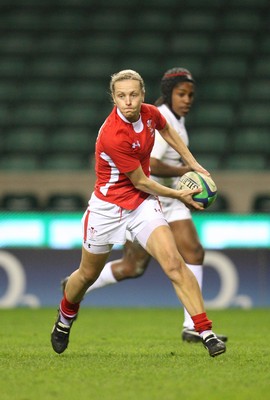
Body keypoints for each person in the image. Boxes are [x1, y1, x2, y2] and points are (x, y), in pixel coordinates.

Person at [51, 69, 226, 358]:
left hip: (142, 205)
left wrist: (193, 163)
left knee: (174, 263)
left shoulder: (149, 113)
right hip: (107, 209)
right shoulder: (112, 135)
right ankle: (65, 316)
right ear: (114, 98)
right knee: (86, 275)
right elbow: (141, 180)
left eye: (133, 94)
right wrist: (179, 194)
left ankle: (204, 331)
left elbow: (166, 129)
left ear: (142, 94)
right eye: (122, 96)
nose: (128, 101)